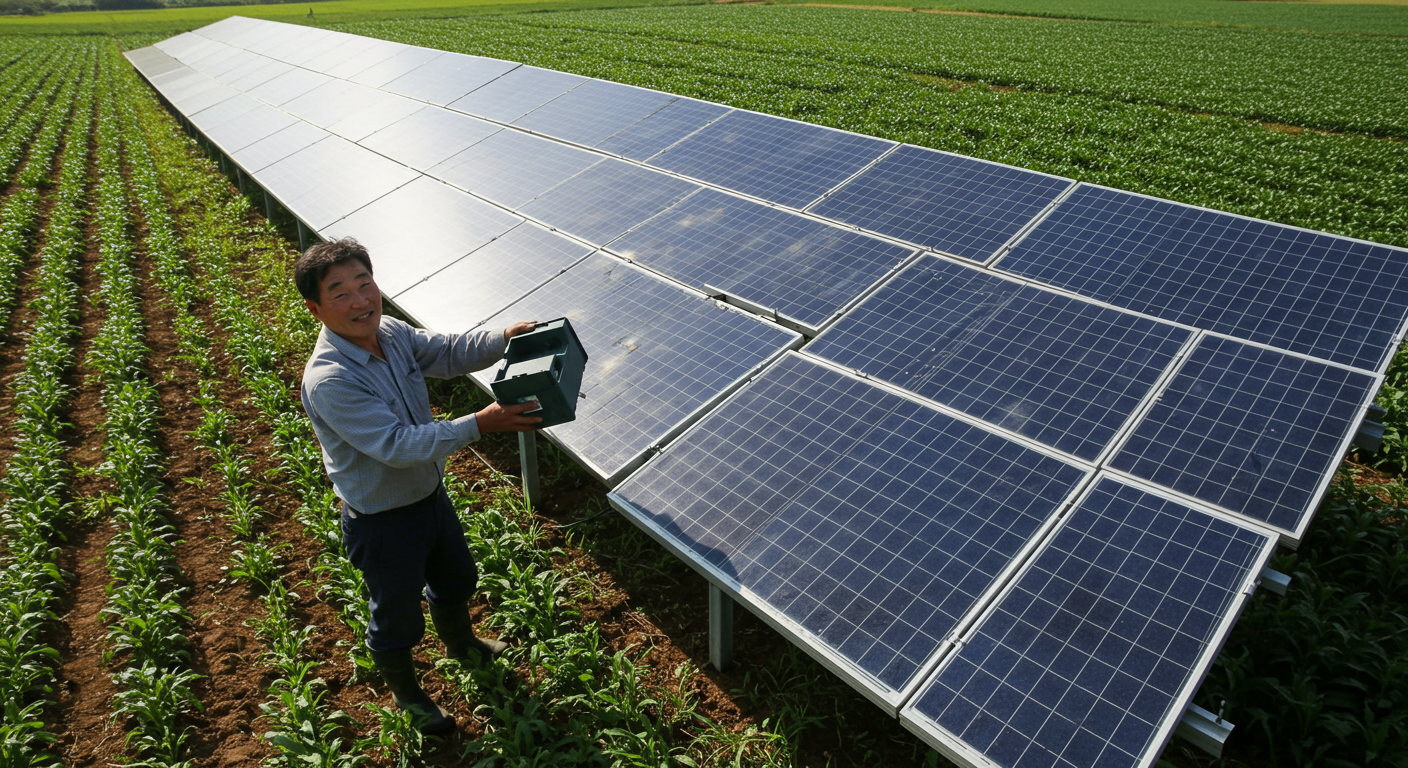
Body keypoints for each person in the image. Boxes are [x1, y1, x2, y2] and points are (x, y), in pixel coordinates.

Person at [295, 237, 541, 734]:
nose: (360, 300)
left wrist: (503, 338)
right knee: (396, 617)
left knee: (455, 579)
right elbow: (397, 445)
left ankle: (462, 644)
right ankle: (409, 695)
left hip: (428, 495)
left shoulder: (390, 331)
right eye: (340, 292)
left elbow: (447, 352)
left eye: (365, 284)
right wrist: (481, 423)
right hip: (382, 518)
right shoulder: (331, 380)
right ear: (316, 308)